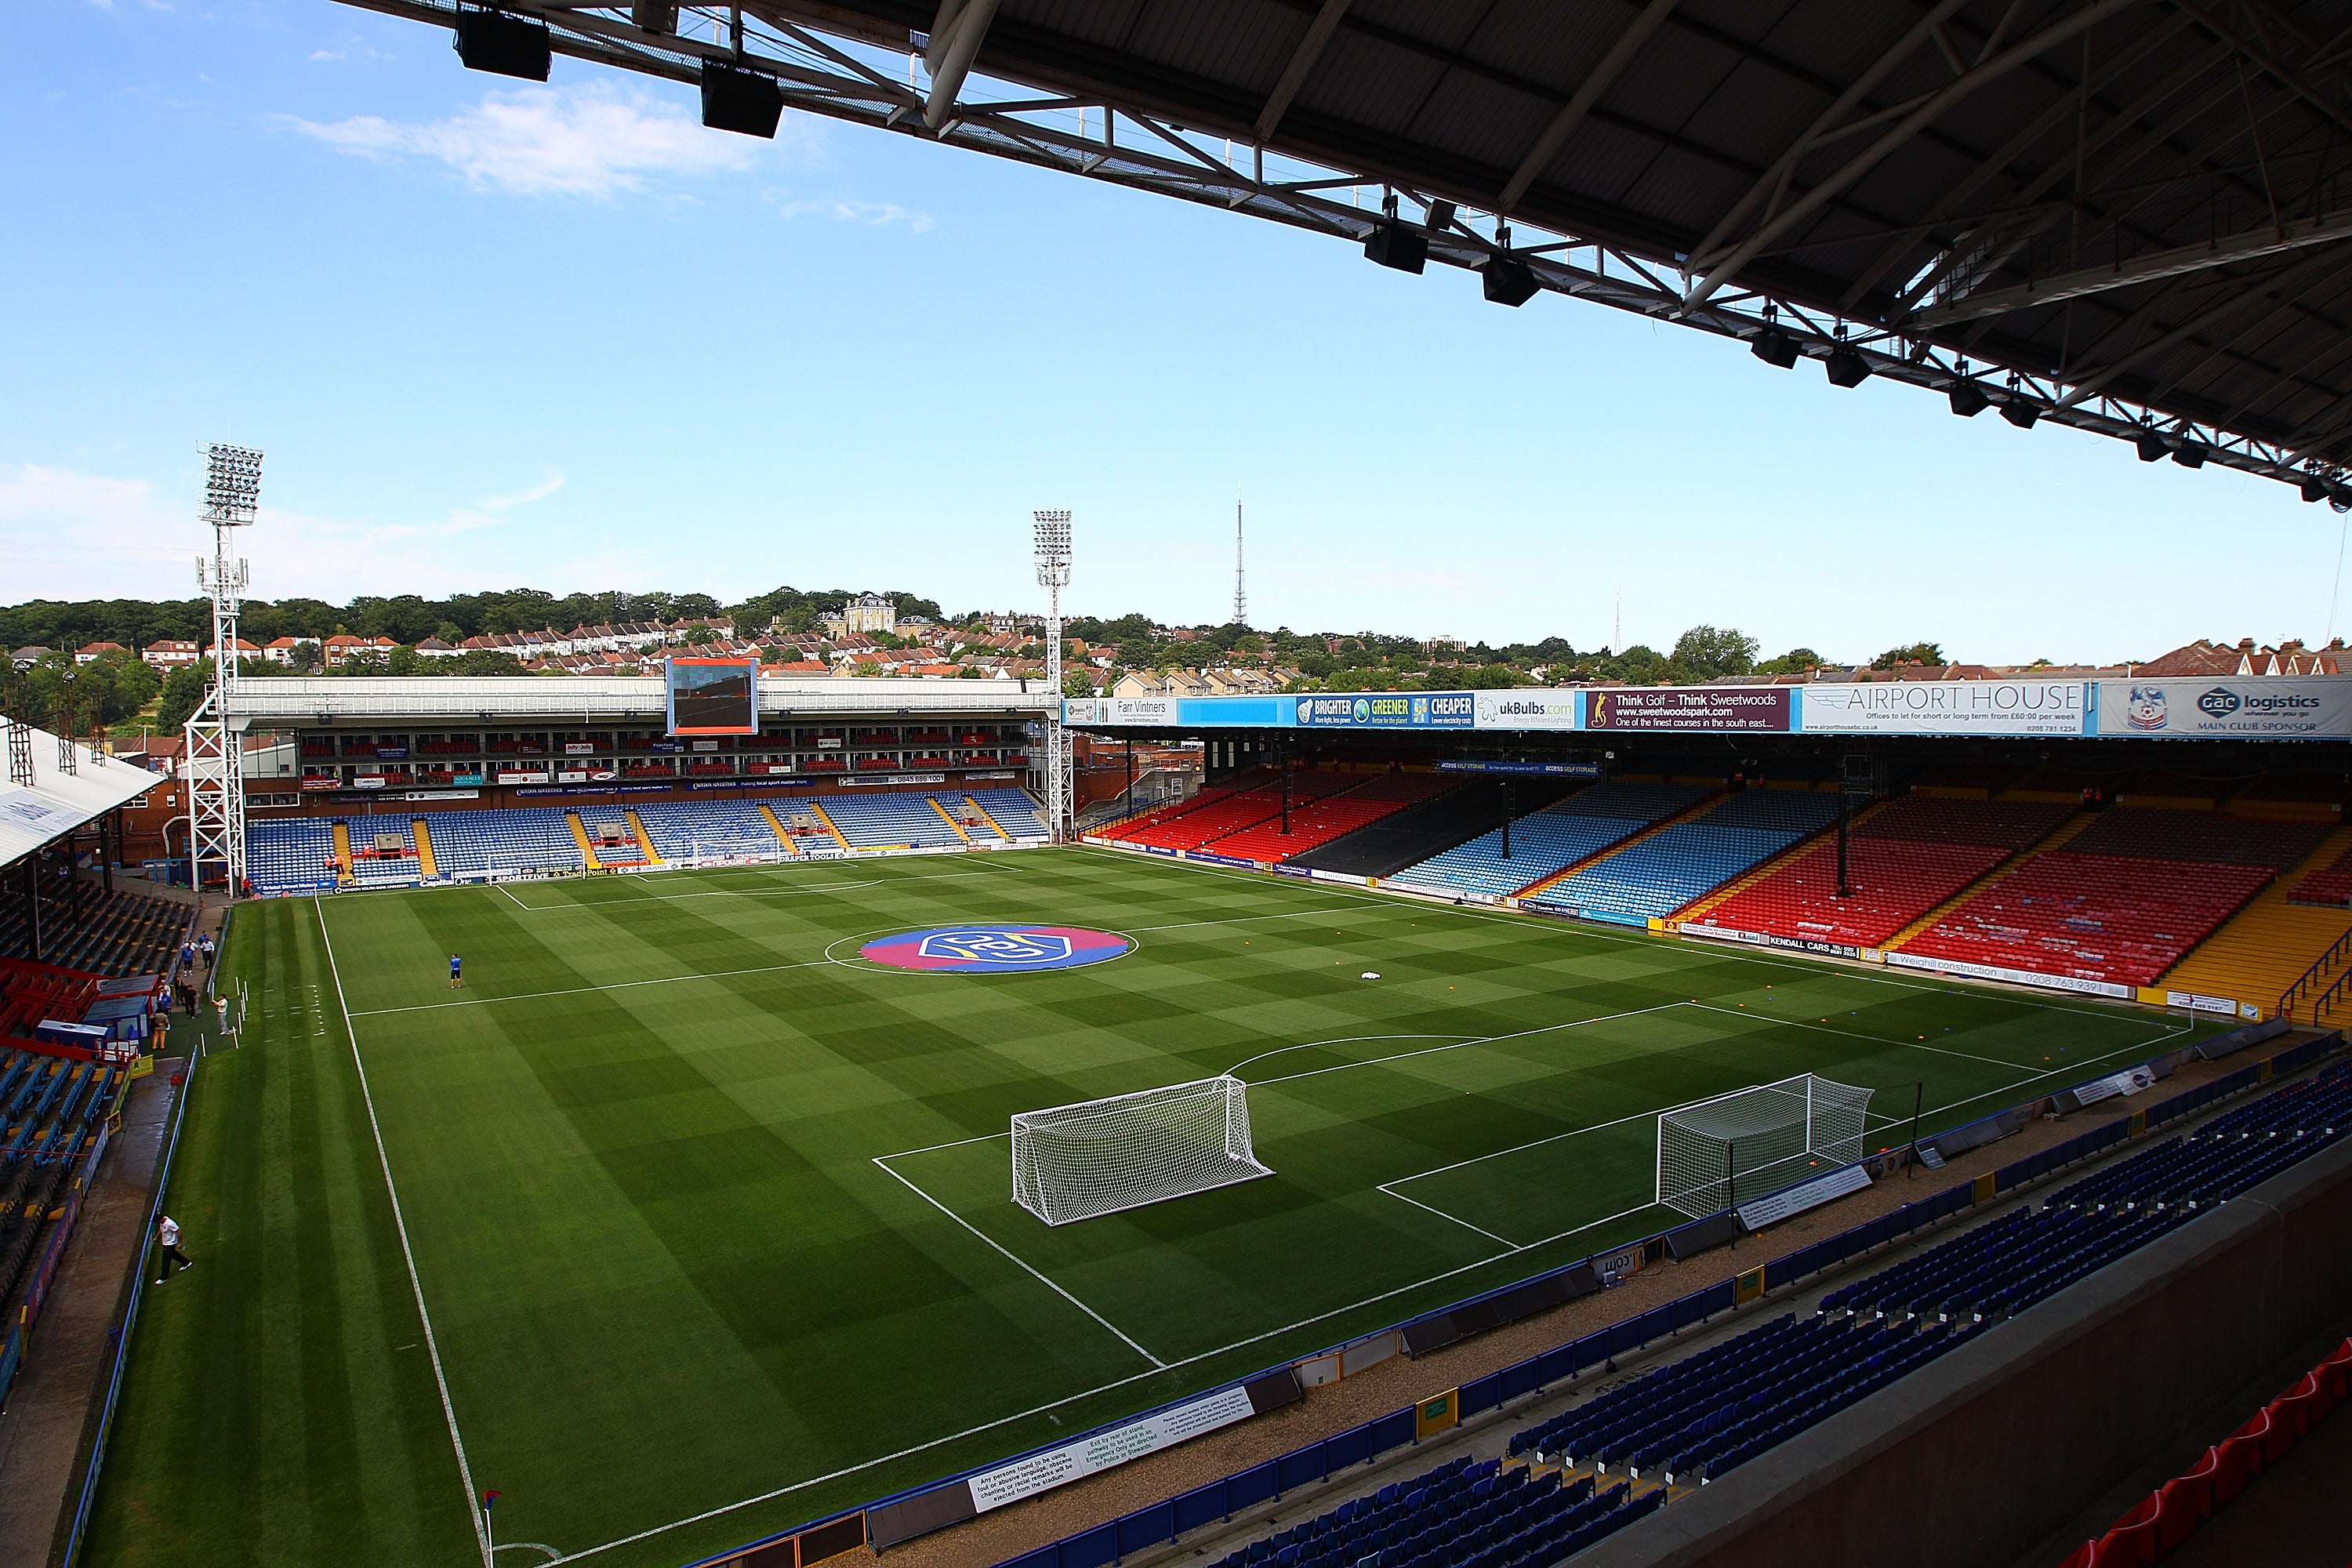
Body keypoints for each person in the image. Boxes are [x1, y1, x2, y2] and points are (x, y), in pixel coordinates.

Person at [154, 1214, 192, 1283]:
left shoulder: (170, 1224)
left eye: (158, 1222)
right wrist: (156, 1236)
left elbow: (178, 1231)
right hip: (166, 1243)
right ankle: (186, 1262)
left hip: (170, 1244)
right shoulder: (163, 1222)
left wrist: (180, 1243)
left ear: (161, 1219)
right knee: (173, 1254)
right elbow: (161, 1229)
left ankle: (164, 1277)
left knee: (166, 1260)